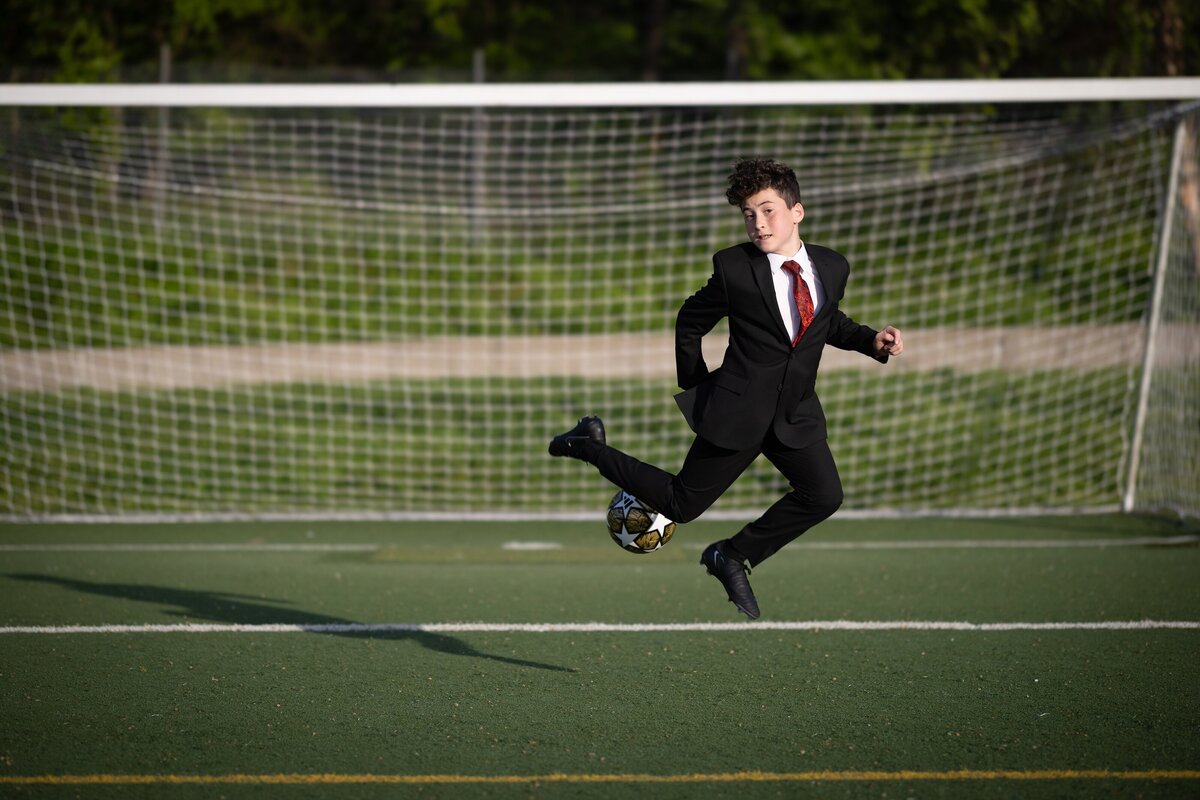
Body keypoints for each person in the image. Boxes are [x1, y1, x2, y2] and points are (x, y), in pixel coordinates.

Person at [549, 158, 903, 619]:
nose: (759, 224)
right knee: (681, 504)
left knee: (824, 496)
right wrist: (702, 391)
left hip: (794, 413)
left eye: (768, 211)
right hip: (737, 410)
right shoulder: (735, 267)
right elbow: (690, 321)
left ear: (797, 211)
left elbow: (826, 320)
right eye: (749, 215)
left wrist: (871, 340)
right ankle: (588, 446)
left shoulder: (833, 266)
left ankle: (731, 555)